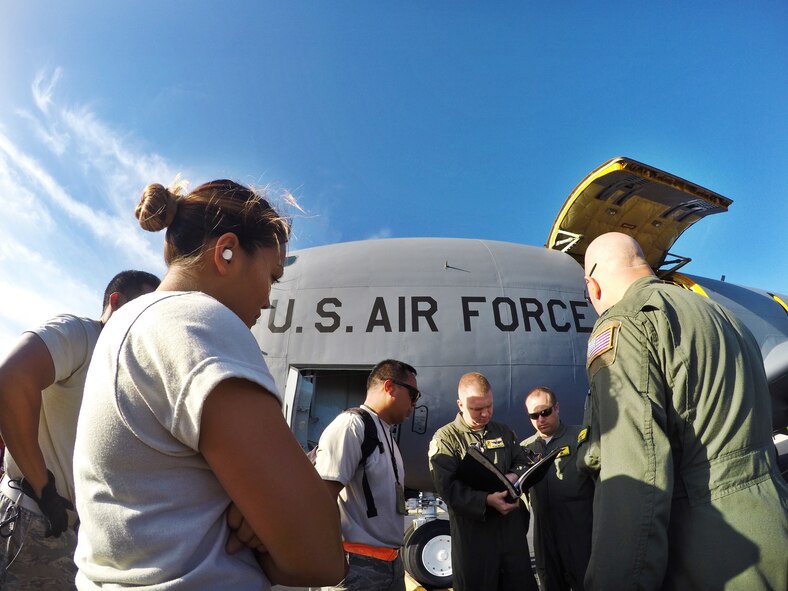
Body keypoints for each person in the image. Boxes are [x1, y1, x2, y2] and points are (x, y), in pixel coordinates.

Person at [72, 179, 345, 590]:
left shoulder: (129, 325)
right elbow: (321, 557)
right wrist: (267, 535)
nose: (269, 300)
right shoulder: (198, 321)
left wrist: (259, 513)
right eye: (271, 277)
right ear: (227, 252)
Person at [580, 231, 788, 590]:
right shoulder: (724, 316)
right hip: (773, 527)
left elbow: (634, 476)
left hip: (714, 557)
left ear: (592, 286)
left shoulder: (627, 324)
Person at [0, 270, 160, 590]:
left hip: (69, 533)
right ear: (115, 302)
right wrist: (44, 488)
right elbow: (11, 379)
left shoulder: (122, 368)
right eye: (142, 307)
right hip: (32, 517)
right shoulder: (81, 335)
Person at [312, 359, 419, 591]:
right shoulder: (352, 426)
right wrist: (334, 561)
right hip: (356, 567)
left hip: (390, 564)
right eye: (413, 394)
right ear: (390, 387)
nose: (414, 404)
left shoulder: (385, 433)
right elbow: (321, 498)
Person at [429, 372, 538, 591]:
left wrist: (513, 477)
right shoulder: (446, 439)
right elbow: (448, 489)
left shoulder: (504, 432)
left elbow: (524, 461)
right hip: (474, 539)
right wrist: (486, 500)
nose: (485, 413)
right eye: (477, 409)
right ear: (460, 404)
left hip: (511, 534)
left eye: (489, 406)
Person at [521, 386, 593, 591]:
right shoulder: (526, 448)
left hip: (579, 532)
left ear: (557, 407)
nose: (540, 419)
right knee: (549, 583)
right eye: (534, 415)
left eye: (545, 412)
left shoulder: (581, 438)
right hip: (545, 535)